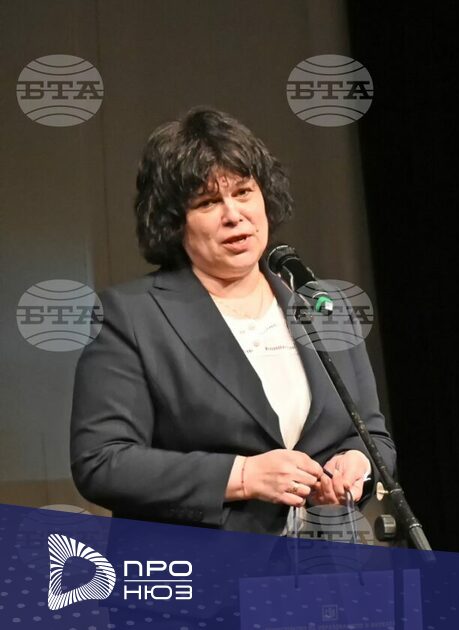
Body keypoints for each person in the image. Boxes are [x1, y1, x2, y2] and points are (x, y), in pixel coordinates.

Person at [70, 107, 396, 534]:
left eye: (243, 192)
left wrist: (357, 465)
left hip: (327, 562)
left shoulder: (323, 305)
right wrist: (242, 476)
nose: (233, 214)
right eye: (208, 202)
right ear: (174, 223)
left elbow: (371, 435)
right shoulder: (131, 316)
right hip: (201, 569)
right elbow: (101, 462)